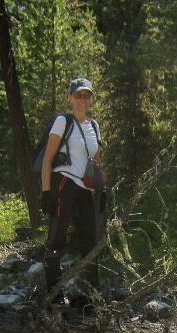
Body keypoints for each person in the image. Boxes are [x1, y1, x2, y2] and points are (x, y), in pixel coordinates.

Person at [40, 77, 106, 295]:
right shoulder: (63, 122)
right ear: (70, 98)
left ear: (91, 100)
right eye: (78, 95)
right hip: (64, 183)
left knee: (90, 239)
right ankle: (54, 294)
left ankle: (91, 295)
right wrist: (47, 192)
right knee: (57, 236)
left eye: (86, 95)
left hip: (85, 189)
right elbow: (47, 160)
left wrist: (102, 187)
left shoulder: (94, 126)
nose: (82, 99)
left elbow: (97, 162)